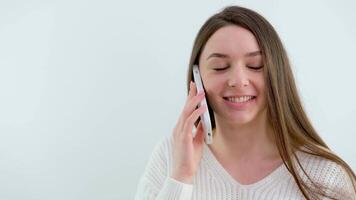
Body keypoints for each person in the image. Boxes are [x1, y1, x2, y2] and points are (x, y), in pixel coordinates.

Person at [134, 5, 356, 200]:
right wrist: (180, 177)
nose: (238, 81)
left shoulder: (326, 177)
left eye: (256, 65)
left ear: (277, 75)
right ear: (197, 79)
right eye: (220, 67)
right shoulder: (169, 156)